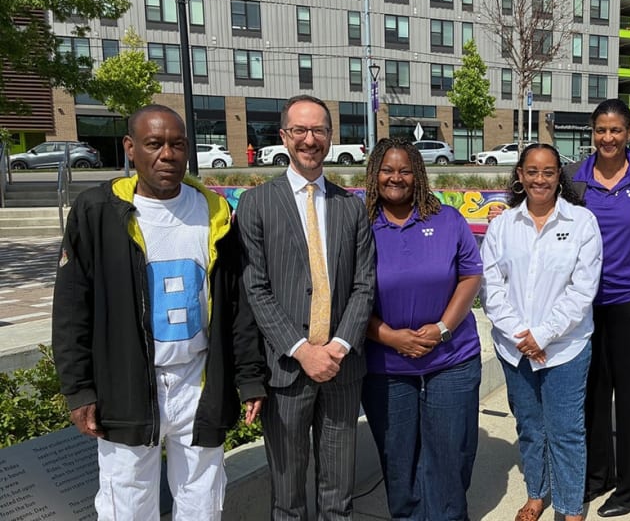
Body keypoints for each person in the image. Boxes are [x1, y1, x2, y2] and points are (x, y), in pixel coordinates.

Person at [51, 104, 266, 519]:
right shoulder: (98, 213)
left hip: (198, 382)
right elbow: (72, 308)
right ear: (131, 148)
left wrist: (249, 377)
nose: (167, 154)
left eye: (178, 144)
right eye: (154, 144)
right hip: (128, 384)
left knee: (202, 503)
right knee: (126, 505)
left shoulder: (215, 213)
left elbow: (236, 305)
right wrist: (78, 389)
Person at [237, 95, 377, 520]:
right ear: (284, 136)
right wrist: (302, 349)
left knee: (339, 494)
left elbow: (363, 284)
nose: (309, 139)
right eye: (300, 130)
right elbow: (255, 288)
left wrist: (336, 348)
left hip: (341, 368)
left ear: (331, 138)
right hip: (287, 371)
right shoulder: (257, 204)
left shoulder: (351, 207)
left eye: (318, 130)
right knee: (287, 494)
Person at [360, 138, 483, 520]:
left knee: (451, 454)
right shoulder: (360, 225)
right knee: (399, 462)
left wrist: (443, 328)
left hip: (451, 359)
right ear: (374, 174)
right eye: (387, 170)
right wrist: (388, 336)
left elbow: (470, 275)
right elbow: (346, 294)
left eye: (405, 170)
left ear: (418, 174)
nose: (396, 178)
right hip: (387, 366)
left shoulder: (447, 219)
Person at [481, 143, 602, 521]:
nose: (540, 179)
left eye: (548, 172)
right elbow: (490, 285)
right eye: (531, 171)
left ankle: (569, 508)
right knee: (530, 428)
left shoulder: (581, 223)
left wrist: (544, 335)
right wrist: (522, 335)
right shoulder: (502, 225)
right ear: (519, 175)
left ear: (558, 176)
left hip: (565, 348)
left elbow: (583, 290)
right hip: (515, 348)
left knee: (566, 432)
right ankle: (537, 493)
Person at [568, 98, 630, 518]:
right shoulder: (575, 179)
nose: (607, 138)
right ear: (593, 132)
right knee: (591, 396)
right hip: (587, 307)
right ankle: (598, 476)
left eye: (616, 130)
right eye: (600, 130)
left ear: (629, 132)